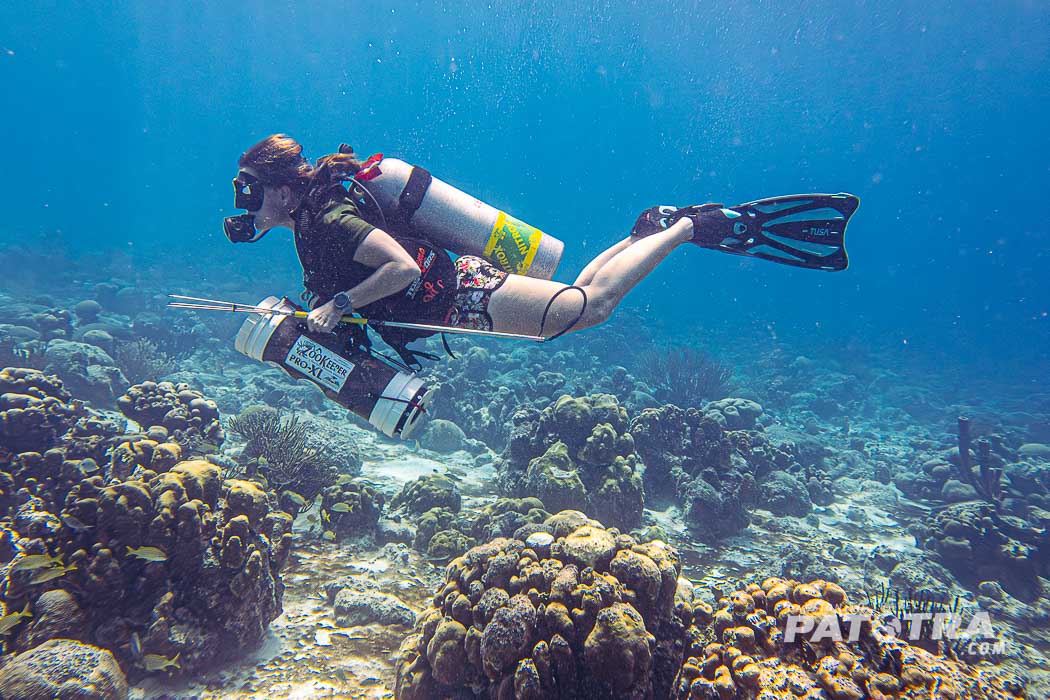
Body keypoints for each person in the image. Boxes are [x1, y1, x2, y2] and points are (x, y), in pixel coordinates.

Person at [225, 134, 857, 353]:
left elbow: (394, 268)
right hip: (456, 296)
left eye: (249, 190)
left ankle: (691, 227)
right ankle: (647, 231)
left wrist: (339, 303)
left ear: (282, 189)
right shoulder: (311, 223)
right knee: (578, 299)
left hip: (462, 295)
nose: (244, 206)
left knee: (589, 309)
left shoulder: (325, 218)